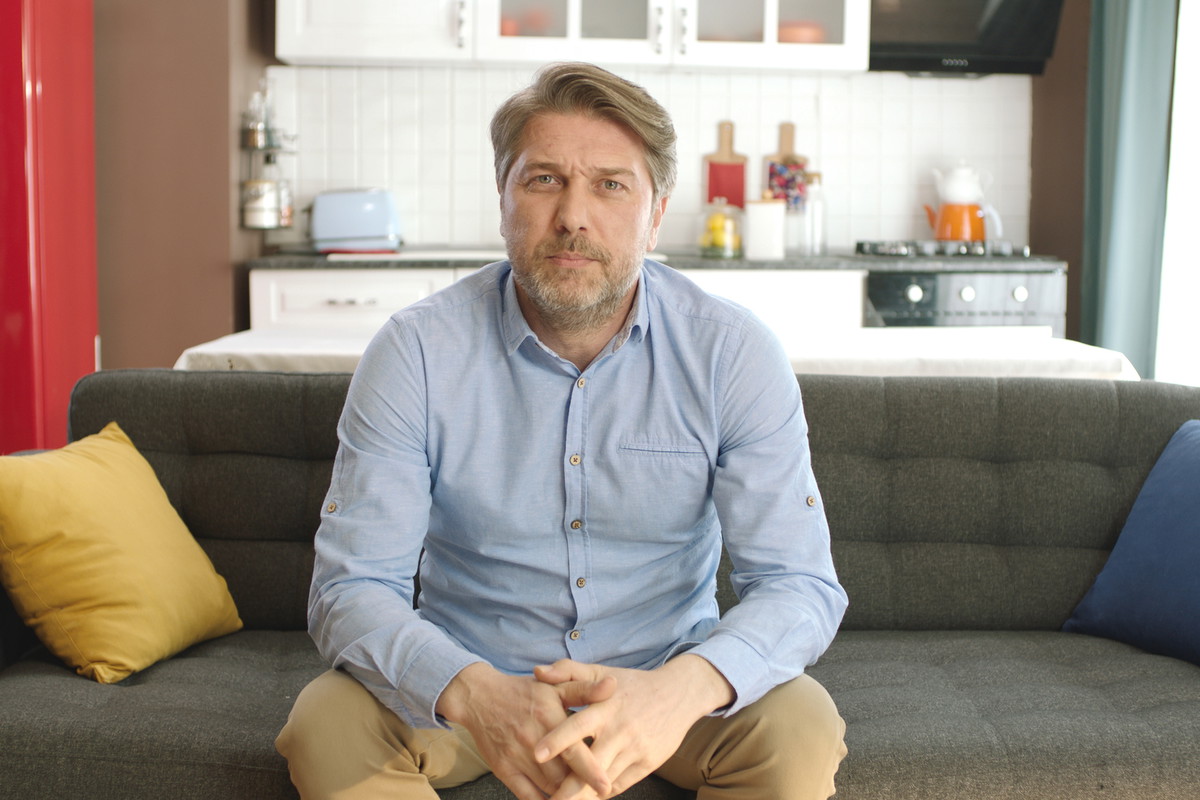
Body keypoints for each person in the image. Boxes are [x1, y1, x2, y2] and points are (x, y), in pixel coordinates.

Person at [276, 61, 848, 800]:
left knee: (799, 723)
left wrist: (676, 693)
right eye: (544, 179)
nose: (573, 215)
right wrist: (474, 693)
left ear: (657, 210)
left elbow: (799, 585)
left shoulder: (731, 353)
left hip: (664, 688)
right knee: (326, 721)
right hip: (470, 689)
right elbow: (352, 587)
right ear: (504, 197)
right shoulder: (416, 351)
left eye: (610, 184)